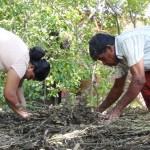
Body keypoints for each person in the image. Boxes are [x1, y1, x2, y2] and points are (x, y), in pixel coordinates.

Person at [89, 26, 150, 121]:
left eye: (102, 59)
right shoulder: (118, 59)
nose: (104, 63)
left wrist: (117, 109)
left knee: (140, 79)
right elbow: (118, 88)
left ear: (109, 48)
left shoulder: (127, 43)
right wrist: (99, 110)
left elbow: (139, 80)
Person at [0, 27, 50, 119]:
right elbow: (9, 94)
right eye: (31, 77)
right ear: (31, 67)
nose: (28, 79)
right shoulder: (22, 62)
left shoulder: (26, 56)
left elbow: (18, 88)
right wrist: (23, 114)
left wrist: (23, 107)